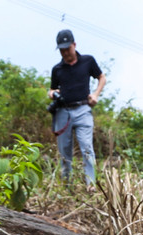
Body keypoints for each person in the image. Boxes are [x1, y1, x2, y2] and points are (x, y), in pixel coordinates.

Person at [48, 29, 106, 185]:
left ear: (74, 45)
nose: (65, 53)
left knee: (87, 147)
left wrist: (95, 95)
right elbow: (52, 88)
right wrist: (52, 93)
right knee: (64, 151)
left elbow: (101, 77)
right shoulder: (57, 69)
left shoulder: (88, 61)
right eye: (62, 50)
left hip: (83, 110)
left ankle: (91, 185)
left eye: (68, 48)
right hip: (63, 112)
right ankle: (66, 185)